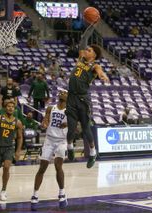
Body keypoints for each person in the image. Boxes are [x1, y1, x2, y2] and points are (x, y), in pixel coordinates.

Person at [66, 21, 110, 168]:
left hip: (83, 99)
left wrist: (103, 76)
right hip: (71, 97)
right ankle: (70, 148)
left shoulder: (95, 65)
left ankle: (92, 152)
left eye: (89, 50)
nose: (86, 50)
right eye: (87, 49)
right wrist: (92, 25)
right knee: (71, 128)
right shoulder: (80, 59)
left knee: (85, 128)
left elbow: (99, 71)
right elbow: (84, 38)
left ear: (94, 55)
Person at [31, 90, 68, 210]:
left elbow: (75, 125)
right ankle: (35, 195)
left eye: (64, 93)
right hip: (49, 140)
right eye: (61, 92)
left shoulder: (70, 110)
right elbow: (45, 120)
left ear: (68, 97)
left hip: (61, 141)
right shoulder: (50, 108)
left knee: (58, 167)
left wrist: (67, 125)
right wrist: (44, 124)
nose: (62, 94)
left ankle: (62, 193)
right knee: (42, 168)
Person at [0, 99, 23, 201]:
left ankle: (3, 191)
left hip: (9, 148)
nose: (10, 108)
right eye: (8, 106)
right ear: (5, 108)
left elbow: (20, 137)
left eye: (12, 107)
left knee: (7, 167)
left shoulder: (17, 122)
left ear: (14, 109)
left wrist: (18, 151)